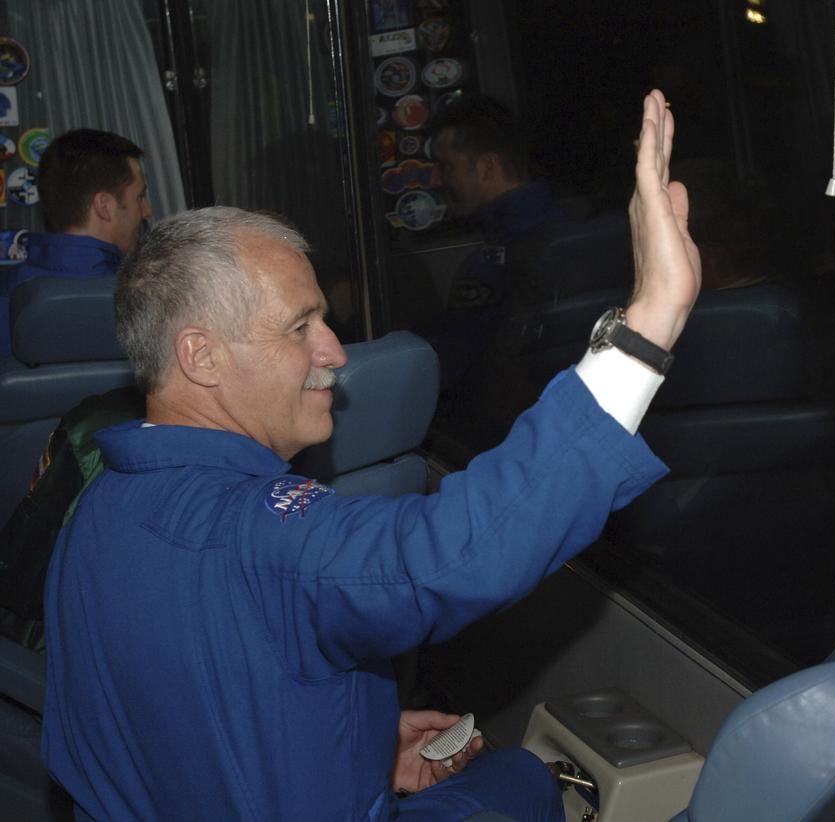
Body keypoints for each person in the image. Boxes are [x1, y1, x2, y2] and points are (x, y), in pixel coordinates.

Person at [41, 89, 701, 821]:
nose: (332, 352)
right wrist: (650, 321)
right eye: (301, 326)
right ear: (200, 356)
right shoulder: (260, 534)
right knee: (524, 778)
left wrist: (361, 743)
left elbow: (174, 710)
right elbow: (451, 555)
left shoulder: (95, 506)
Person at [425, 96, 570, 390]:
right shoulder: (567, 224)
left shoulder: (491, 264)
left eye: (446, 167)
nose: (435, 181)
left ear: (488, 168)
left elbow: (453, 369)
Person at [0, 128, 152, 358]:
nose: (147, 211)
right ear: (104, 206)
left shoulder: (7, 293)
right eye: (139, 197)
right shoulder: (148, 298)